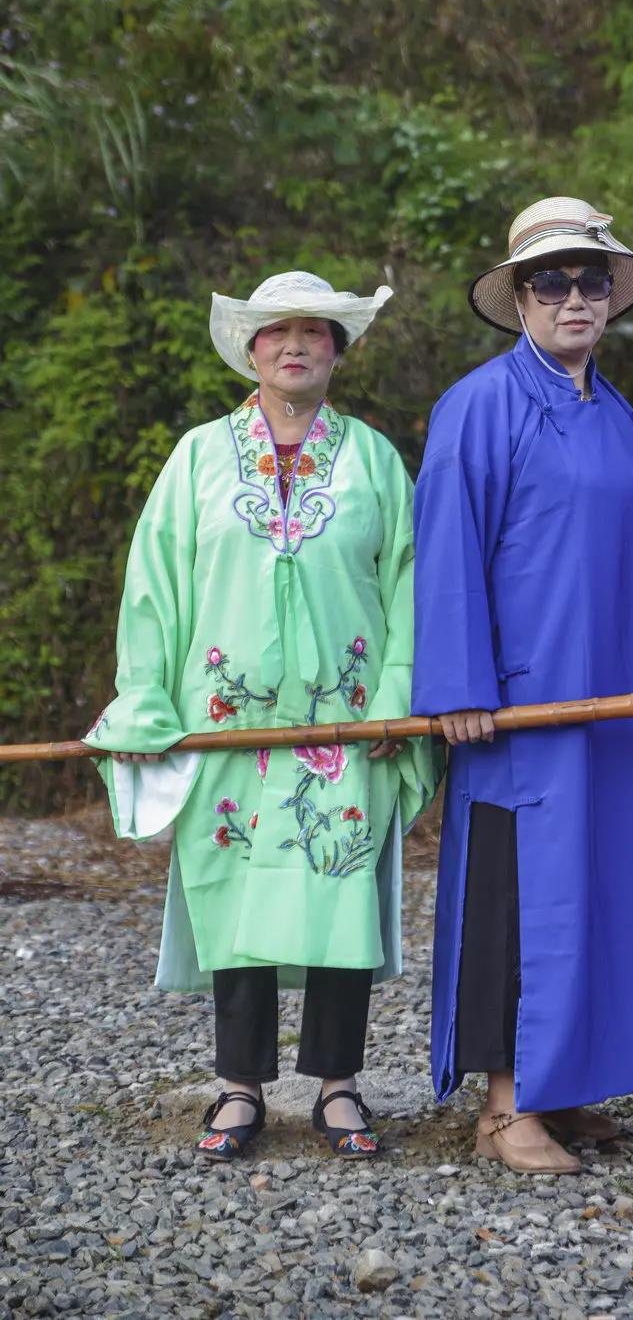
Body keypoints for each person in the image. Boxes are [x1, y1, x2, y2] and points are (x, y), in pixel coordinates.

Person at [85, 270, 438, 1162]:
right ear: (251, 350)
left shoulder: (373, 459)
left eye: (315, 332)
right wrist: (146, 697)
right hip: (224, 719)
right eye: (277, 331)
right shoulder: (199, 456)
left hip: (344, 718)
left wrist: (396, 695)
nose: (295, 345)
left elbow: (409, 581)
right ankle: (240, 1085)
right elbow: (155, 585)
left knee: (339, 885)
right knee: (233, 886)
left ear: (337, 352)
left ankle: (338, 1084)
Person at [412, 197, 633, 1174]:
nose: (575, 298)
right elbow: (446, 547)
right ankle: (504, 1106)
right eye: (552, 282)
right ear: (519, 297)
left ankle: (566, 1086)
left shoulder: (618, 414)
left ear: (611, 296)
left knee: (606, 883)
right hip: (519, 703)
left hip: (615, 701)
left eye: (590, 280)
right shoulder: (478, 405)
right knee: (518, 893)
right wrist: (459, 684)